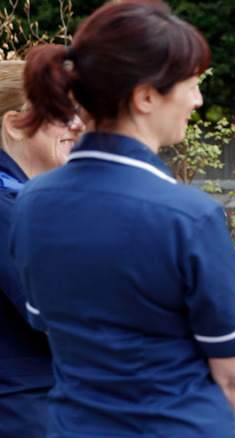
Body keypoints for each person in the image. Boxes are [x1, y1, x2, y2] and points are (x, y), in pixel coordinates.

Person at [9, 1, 235, 437]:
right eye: (191, 85)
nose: (198, 100)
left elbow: (47, 323)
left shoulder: (31, 201)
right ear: (145, 96)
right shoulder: (189, 215)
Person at [0, 60, 85, 437]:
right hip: (27, 412)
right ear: (14, 124)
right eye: (62, 114)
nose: (78, 125)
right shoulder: (9, 211)